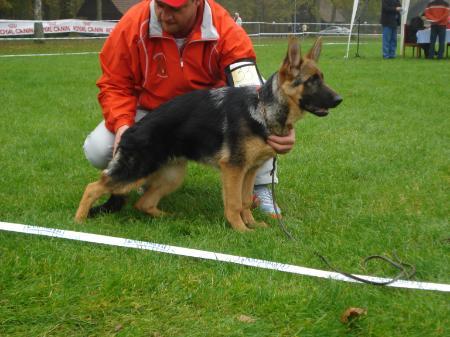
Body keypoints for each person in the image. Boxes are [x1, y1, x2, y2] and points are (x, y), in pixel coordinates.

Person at [83, 0, 295, 218]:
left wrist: (277, 123)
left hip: (205, 119)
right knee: (99, 148)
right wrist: (121, 124)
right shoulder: (132, 24)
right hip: (152, 113)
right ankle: (145, 176)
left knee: (255, 129)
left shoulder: (226, 29)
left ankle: (259, 188)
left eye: (175, 8)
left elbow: (250, 88)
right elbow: (114, 83)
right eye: (160, 5)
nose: (165, 15)